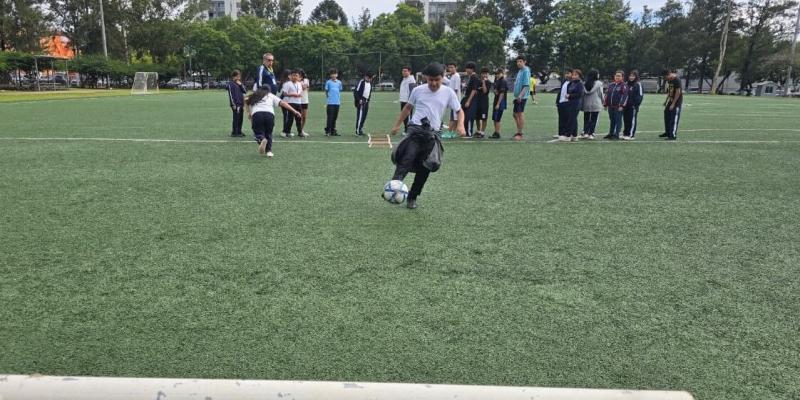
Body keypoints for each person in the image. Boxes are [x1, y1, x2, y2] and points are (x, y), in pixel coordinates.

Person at [390, 62, 465, 209]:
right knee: (406, 158)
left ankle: (412, 197)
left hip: (432, 135)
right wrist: (397, 125)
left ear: (442, 77)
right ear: (426, 78)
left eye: (437, 79)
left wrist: (461, 125)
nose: (434, 83)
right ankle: (393, 188)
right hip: (415, 130)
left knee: (426, 168)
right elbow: (408, 108)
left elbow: (459, 111)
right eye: (430, 80)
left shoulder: (448, 92)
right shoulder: (418, 90)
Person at [245, 87, 302, 158]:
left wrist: (248, 112)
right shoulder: (271, 95)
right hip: (269, 115)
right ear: (269, 90)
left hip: (257, 114)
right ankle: (269, 151)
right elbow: (283, 103)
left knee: (258, 133)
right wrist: (295, 111)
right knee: (269, 134)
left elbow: (245, 100)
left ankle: (262, 139)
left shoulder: (255, 95)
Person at [603, 70, 628, 140]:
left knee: (618, 120)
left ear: (622, 77)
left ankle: (617, 134)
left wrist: (622, 105)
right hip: (610, 106)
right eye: (616, 76)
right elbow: (607, 95)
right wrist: (605, 104)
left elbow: (625, 96)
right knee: (612, 120)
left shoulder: (624, 85)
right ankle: (611, 133)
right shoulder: (611, 85)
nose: (617, 77)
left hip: (618, 107)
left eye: (619, 76)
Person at [562, 69, 585, 142]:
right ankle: (574, 136)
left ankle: (568, 135)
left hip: (576, 103)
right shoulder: (572, 83)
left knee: (571, 119)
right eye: (573, 75)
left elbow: (579, 94)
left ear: (579, 76)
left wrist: (570, 96)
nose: (574, 76)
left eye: (576, 75)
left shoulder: (580, 84)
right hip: (570, 102)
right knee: (573, 119)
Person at [281, 69, 305, 138]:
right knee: (290, 118)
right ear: (290, 76)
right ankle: (287, 132)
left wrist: (299, 94)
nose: (295, 77)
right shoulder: (287, 84)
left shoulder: (299, 84)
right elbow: (284, 93)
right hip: (290, 103)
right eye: (293, 75)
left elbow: (300, 92)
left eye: (296, 76)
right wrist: (293, 94)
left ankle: (300, 132)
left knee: (299, 118)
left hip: (298, 102)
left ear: (299, 76)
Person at [512, 55, 531, 141]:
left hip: (522, 97)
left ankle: (520, 133)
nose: (518, 63)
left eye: (520, 61)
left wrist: (520, 96)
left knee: (520, 113)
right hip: (517, 97)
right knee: (515, 114)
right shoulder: (520, 71)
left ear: (524, 62)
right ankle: (519, 130)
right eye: (517, 61)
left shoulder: (526, 71)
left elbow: (526, 85)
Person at [581, 69, 603, 140]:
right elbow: (600, 94)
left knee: (586, 119)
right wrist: (603, 101)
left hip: (586, 103)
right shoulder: (599, 83)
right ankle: (591, 133)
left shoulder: (585, 83)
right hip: (596, 103)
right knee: (594, 119)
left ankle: (585, 132)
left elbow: (583, 94)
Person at [660, 69, 682, 140]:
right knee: (666, 114)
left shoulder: (677, 80)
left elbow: (678, 92)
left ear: (668, 75)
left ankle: (672, 135)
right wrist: (666, 101)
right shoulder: (669, 80)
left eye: (665, 77)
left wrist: (673, 104)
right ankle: (668, 132)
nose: (665, 79)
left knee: (674, 118)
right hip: (670, 101)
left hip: (676, 102)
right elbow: (670, 91)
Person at [623, 70, 643, 140]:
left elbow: (640, 96)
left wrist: (635, 105)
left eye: (633, 76)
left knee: (632, 120)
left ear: (636, 77)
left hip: (633, 106)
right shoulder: (626, 83)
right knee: (626, 120)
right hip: (626, 106)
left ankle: (631, 135)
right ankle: (625, 133)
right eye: (630, 76)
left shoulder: (638, 84)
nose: (631, 77)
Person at [461, 61, 480, 138]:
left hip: (471, 100)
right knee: (465, 115)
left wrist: (468, 101)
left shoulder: (474, 77)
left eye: (468, 68)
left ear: (472, 69)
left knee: (469, 116)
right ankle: (465, 132)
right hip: (466, 98)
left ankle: (469, 133)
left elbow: (474, 90)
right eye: (466, 68)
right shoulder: (470, 77)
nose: (466, 70)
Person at [444, 62, 462, 137]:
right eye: (449, 67)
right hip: (453, 100)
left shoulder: (456, 76)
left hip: (455, 100)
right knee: (454, 117)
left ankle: (450, 132)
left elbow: (456, 89)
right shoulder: (453, 76)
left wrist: (452, 100)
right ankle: (452, 132)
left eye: (452, 67)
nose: (450, 69)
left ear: (456, 68)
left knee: (454, 117)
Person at [227, 69, 247, 137]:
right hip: (235, 105)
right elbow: (231, 95)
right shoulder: (230, 84)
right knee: (236, 118)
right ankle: (234, 132)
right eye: (238, 76)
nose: (239, 78)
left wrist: (241, 84)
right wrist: (233, 104)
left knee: (240, 118)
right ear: (234, 76)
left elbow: (244, 91)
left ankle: (239, 131)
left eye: (239, 76)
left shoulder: (239, 83)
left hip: (241, 104)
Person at [490, 67, 509, 139]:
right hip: (496, 101)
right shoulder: (497, 80)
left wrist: (498, 104)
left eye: (498, 73)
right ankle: (496, 132)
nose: (497, 75)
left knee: (497, 118)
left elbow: (502, 94)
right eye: (496, 74)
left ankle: (497, 133)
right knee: (494, 118)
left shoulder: (503, 81)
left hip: (500, 102)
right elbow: (497, 91)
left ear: (502, 73)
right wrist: (495, 91)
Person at [555, 69, 573, 141]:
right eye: (566, 74)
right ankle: (561, 133)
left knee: (567, 119)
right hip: (561, 103)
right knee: (561, 119)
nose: (566, 75)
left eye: (568, 73)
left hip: (568, 103)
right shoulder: (564, 82)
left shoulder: (573, 83)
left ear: (572, 74)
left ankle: (567, 134)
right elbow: (560, 92)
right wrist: (557, 101)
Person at [353, 72, 373, 136]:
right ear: (365, 77)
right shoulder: (361, 82)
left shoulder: (370, 83)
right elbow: (356, 92)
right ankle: (357, 131)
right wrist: (359, 100)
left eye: (370, 78)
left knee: (364, 116)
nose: (369, 79)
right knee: (360, 117)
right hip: (361, 101)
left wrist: (368, 100)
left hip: (366, 101)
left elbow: (368, 92)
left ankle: (360, 129)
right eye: (368, 78)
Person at [324, 68, 343, 136]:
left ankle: (333, 130)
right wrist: (329, 98)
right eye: (332, 74)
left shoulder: (339, 82)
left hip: (337, 103)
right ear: (330, 75)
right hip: (330, 103)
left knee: (335, 117)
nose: (333, 75)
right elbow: (326, 91)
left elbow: (339, 90)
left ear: (337, 75)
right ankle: (328, 131)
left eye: (335, 74)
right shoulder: (328, 82)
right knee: (330, 117)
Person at [474, 67, 491, 138]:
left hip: (484, 103)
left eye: (486, 74)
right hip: (477, 102)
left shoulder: (488, 82)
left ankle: (482, 132)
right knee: (477, 118)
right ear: (481, 74)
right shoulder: (477, 81)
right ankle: (478, 131)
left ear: (488, 74)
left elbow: (484, 91)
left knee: (484, 118)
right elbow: (475, 90)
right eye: (483, 74)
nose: (484, 75)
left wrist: (483, 82)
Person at [399, 66, 417, 133]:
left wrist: (410, 102)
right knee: (404, 116)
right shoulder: (404, 79)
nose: (403, 72)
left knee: (408, 116)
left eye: (405, 71)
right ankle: (406, 129)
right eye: (403, 71)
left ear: (409, 72)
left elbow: (413, 91)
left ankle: (409, 130)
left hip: (408, 102)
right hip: (403, 100)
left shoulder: (411, 80)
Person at [299, 69, 311, 137]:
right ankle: (299, 130)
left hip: (305, 100)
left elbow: (307, 88)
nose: (299, 75)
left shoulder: (306, 80)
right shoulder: (296, 81)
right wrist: (304, 86)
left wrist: (304, 87)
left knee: (304, 117)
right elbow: (303, 88)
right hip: (298, 101)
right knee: (299, 117)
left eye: (300, 74)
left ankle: (301, 130)